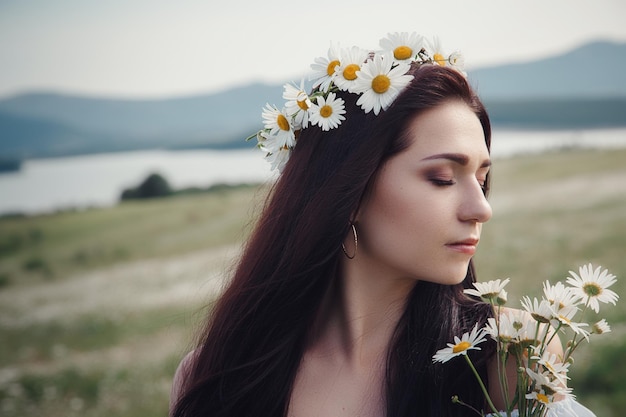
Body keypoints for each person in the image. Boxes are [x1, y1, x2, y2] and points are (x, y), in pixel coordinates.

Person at [169, 33, 594, 417]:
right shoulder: (216, 379)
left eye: (482, 179)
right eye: (442, 178)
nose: (481, 208)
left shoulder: (509, 355)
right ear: (349, 193)